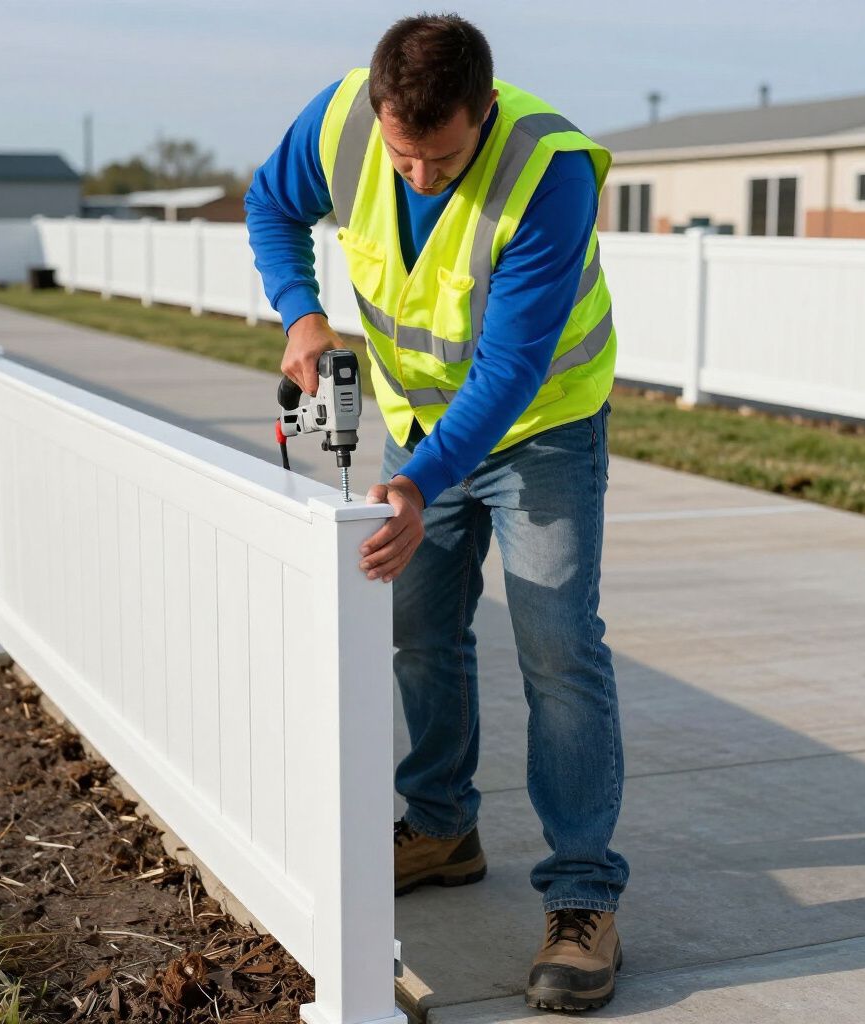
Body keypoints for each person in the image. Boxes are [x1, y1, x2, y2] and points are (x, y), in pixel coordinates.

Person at [245, 13, 629, 1012]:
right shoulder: (340, 124)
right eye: (402, 154)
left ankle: (582, 893)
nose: (418, 176)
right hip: (417, 425)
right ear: (378, 111)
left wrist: (421, 480)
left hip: (540, 426)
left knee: (554, 644)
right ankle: (441, 825)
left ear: (486, 113)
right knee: (416, 630)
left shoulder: (549, 169)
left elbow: (511, 366)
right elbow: (267, 205)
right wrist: (301, 309)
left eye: (443, 158)